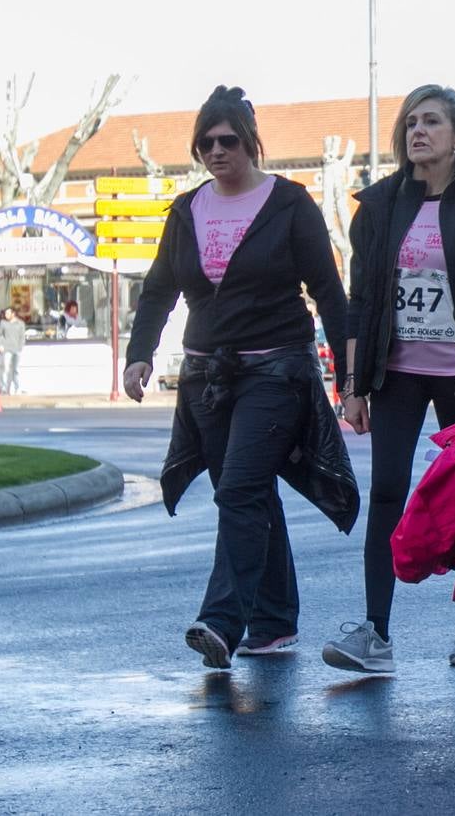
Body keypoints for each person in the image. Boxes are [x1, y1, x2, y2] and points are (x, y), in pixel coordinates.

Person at [123, 85, 355, 669]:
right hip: (208, 376)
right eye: (205, 142)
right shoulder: (187, 209)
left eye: (227, 140)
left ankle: (222, 622)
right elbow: (159, 289)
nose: (215, 151)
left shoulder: (289, 204)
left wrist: (350, 377)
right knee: (251, 493)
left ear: (251, 142)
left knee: (240, 490)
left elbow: (328, 292)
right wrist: (140, 352)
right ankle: (274, 622)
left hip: (276, 370)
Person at [323, 85, 455, 674]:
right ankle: (375, 633)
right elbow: (360, 302)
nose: (417, 132)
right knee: (387, 490)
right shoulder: (380, 206)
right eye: (412, 122)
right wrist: (353, 385)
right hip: (396, 371)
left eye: (432, 122)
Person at [0, 308, 25, 394]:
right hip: (7, 349)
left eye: (8, 313)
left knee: (16, 370)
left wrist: (20, 347)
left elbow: (22, 337)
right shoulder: (3, 323)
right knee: (5, 369)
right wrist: (1, 345)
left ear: (13, 314)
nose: (5, 315)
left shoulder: (20, 324)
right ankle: (3, 389)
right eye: (5, 313)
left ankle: (17, 388)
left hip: (17, 350)